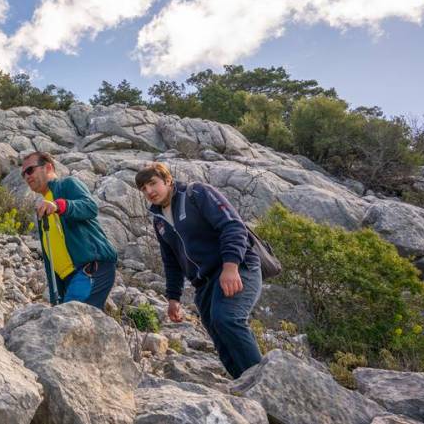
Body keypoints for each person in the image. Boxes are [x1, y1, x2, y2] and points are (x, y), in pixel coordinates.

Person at [134, 162, 263, 378]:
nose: (149, 191)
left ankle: (263, 381)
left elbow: (233, 226)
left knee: (228, 319)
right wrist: (173, 297)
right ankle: (243, 384)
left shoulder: (197, 193)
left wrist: (230, 267)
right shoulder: (159, 220)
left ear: (168, 180)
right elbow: (171, 260)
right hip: (204, 283)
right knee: (218, 335)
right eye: (143, 189)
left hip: (237, 267)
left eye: (152, 184)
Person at [21, 151, 118, 309]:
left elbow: (90, 207)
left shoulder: (67, 185)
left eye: (30, 170)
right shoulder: (44, 206)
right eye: (23, 174)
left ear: (48, 167)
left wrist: (60, 205)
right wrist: (55, 297)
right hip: (71, 279)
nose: (26, 176)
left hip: (90, 269)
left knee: (72, 318)